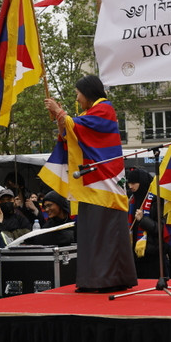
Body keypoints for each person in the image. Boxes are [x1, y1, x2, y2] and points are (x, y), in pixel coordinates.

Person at [43, 75, 137, 293]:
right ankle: (92, 279)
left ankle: (109, 279)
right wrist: (59, 117)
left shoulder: (105, 108)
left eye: (78, 93)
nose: (77, 97)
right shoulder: (88, 114)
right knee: (90, 233)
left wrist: (60, 112)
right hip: (90, 182)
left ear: (88, 93)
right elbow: (71, 133)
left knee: (105, 233)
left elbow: (79, 127)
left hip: (106, 181)